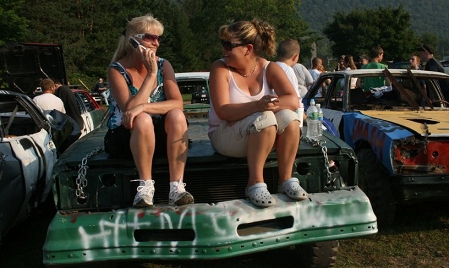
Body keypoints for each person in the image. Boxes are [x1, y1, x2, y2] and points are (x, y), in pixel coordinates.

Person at [208, 18, 307, 208]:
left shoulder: (269, 67)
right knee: (266, 119)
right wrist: (257, 107)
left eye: (229, 45)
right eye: (223, 44)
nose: (224, 50)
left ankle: (285, 179)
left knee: (290, 119)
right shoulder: (220, 68)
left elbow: (293, 100)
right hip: (224, 134)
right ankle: (254, 182)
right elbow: (223, 111)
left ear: (248, 48)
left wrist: (258, 108)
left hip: (256, 132)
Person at [104, 14, 193, 207]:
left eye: (158, 38)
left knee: (177, 116)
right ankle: (145, 187)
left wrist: (144, 106)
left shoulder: (164, 64)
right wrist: (151, 75)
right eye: (150, 37)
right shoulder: (117, 70)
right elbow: (129, 110)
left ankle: (176, 187)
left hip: (159, 136)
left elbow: (178, 103)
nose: (156, 43)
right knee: (142, 119)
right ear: (133, 41)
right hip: (126, 136)